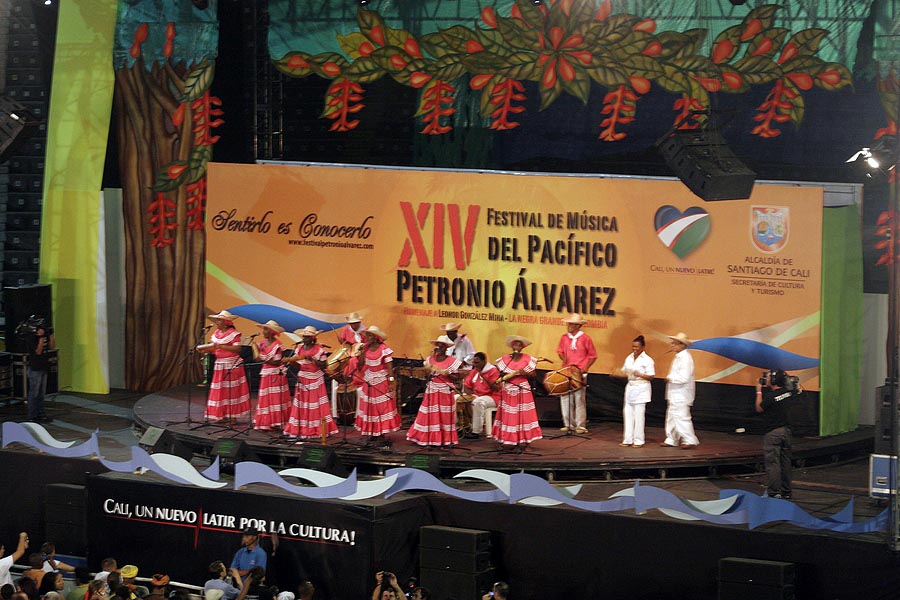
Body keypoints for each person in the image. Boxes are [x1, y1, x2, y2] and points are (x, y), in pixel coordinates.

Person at [283, 326, 338, 440]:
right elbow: (298, 366)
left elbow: (324, 365)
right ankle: (302, 428)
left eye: (307, 337)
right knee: (302, 405)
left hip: (315, 380)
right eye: (304, 336)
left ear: (313, 338)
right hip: (302, 379)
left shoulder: (319, 350)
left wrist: (311, 359)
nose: (304, 339)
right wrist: (291, 362)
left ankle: (317, 429)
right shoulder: (299, 349)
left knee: (315, 406)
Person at [407, 336, 462, 447]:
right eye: (437, 346)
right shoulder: (430, 359)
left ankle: (444, 439)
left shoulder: (452, 361)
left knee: (443, 416)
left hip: (445, 391)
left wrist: (447, 373)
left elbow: (456, 378)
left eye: (441, 346)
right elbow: (426, 376)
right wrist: (428, 370)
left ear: (446, 348)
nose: (438, 348)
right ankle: (428, 438)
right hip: (432, 390)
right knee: (429, 415)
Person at [352, 326, 401, 445]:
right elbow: (360, 365)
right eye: (367, 335)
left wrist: (391, 381)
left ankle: (381, 433)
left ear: (376, 337)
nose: (367, 338)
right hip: (369, 380)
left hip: (381, 381)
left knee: (381, 408)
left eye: (369, 336)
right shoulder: (365, 348)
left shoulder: (384, 349)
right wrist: (361, 353)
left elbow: (390, 368)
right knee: (369, 407)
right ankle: (372, 432)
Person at [200, 310, 251, 423]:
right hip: (220, 365)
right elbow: (214, 349)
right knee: (221, 391)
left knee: (232, 391)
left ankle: (233, 416)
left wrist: (221, 346)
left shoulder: (234, 334)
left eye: (219, 320)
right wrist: (206, 350)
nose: (217, 322)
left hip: (231, 365)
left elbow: (237, 349)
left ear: (226, 322)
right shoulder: (216, 333)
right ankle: (221, 415)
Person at [756, 369, 799, 499]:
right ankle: (786, 491)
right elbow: (796, 391)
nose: (767, 379)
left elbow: (759, 408)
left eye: (769, 377)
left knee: (773, 463)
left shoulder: (771, 396)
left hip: (773, 432)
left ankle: (774, 492)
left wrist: (758, 391)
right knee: (785, 463)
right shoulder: (789, 393)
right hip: (787, 432)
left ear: (774, 380)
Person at [494, 336, 542, 448]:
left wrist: (525, 372)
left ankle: (525, 438)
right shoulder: (505, 359)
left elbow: (533, 374)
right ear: (512, 346)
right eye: (515, 344)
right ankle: (508, 438)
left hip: (522, 389)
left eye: (519, 345)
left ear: (522, 347)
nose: (517, 346)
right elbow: (501, 374)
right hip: (508, 389)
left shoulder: (527, 358)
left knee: (523, 414)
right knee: (509, 415)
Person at [555, 313, 596, 433]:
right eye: (569, 324)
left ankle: (580, 425)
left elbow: (593, 355)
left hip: (579, 371)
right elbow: (560, 351)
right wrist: (564, 359)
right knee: (565, 397)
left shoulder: (585, 338)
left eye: (572, 324)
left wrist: (585, 367)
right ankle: (568, 424)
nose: (569, 326)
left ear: (578, 326)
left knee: (579, 398)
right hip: (566, 370)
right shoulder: (564, 337)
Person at [661, 332, 699, 449]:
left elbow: (684, 377)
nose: (672, 345)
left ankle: (689, 439)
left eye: (675, 343)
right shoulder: (679, 357)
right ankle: (671, 439)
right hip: (675, 392)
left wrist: (670, 378)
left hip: (681, 393)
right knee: (672, 417)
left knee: (682, 416)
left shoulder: (685, 358)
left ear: (682, 344)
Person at [253, 321, 289, 431]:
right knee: (265, 398)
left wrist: (262, 358)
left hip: (275, 374)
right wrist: (255, 349)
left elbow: (276, 362)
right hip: (266, 373)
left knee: (275, 398)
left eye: (266, 329)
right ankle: (266, 422)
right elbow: (256, 358)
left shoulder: (277, 345)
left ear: (272, 332)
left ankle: (276, 422)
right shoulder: (262, 343)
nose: (263, 331)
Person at [619, 335, 655, 447]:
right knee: (628, 414)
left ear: (643, 347)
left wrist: (640, 374)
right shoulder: (629, 358)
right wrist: (618, 373)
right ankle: (627, 439)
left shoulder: (647, 360)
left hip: (641, 388)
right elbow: (624, 371)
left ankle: (639, 440)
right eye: (633, 346)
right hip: (630, 387)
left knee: (639, 416)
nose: (634, 349)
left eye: (637, 347)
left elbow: (651, 376)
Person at [458, 352, 500, 439]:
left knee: (478, 402)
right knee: (455, 398)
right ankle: (459, 428)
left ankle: (476, 431)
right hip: (477, 395)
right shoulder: (474, 371)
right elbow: (466, 386)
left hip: (493, 397)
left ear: (484, 361)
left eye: (477, 363)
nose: (475, 365)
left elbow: (496, 388)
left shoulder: (493, 371)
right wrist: (470, 394)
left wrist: (484, 377)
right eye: (474, 362)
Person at [332, 312, 366, 414]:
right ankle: (344, 379)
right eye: (352, 323)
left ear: (359, 322)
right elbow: (343, 342)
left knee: (353, 361)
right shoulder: (346, 329)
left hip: (361, 355)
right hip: (349, 352)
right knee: (340, 361)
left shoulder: (365, 331)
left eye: (355, 323)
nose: (353, 325)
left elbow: (366, 345)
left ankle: (354, 380)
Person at [24, 316, 55, 423]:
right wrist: (41, 337)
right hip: (35, 368)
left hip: (43, 366)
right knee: (34, 393)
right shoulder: (31, 337)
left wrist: (50, 335)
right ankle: (31, 416)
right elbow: (38, 351)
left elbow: (51, 347)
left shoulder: (44, 335)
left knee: (41, 394)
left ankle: (41, 414)